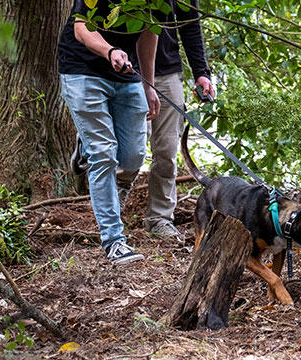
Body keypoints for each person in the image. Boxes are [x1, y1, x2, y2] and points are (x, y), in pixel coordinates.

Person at [59, 0, 159, 264]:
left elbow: (149, 35)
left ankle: (85, 142)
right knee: (103, 154)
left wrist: (149, 86)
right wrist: (110, 50)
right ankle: (114, 241)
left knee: (133, 157)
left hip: (127, 75)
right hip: (82, 69)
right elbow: (81, 29)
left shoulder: (161, 2)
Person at [144, 0, 215, 240]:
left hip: (166, 70)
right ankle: (112, 218)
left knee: (166, 151)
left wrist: (201, 73)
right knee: (127, 152)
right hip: (125, 71)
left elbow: (190, 25)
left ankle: (159, 218)